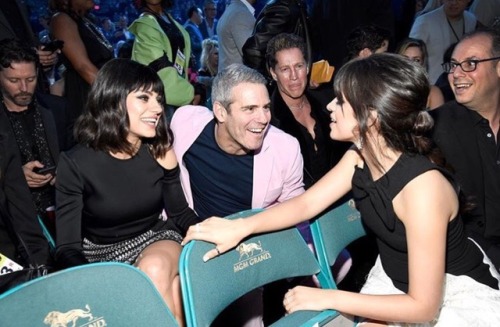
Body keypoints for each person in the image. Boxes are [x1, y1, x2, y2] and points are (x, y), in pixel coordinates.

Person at [182, 53, 500, 325]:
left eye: (341, 101)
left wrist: (327, 297)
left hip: (452, 294)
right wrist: (238, 227)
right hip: (397, 282)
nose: (329, 107)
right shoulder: (360, 156)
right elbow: (305, 205)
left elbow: (424, 306)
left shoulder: (423, 191)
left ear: (370, 117)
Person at [55, 59, 199, 326]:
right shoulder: (75, 163)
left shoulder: (159, 148)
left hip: (156, 238)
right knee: (172, 295)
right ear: (113, 100)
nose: (157, 108)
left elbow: (179, 213)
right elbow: (67, 247)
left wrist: (214, 232)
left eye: (158, 98)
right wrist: (96, 281)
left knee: (154, 270)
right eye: (144, 98)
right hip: (101, 255)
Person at [171, 63, 304, 327]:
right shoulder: (185, 122)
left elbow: (298, 208)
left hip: (250, 243)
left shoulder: (284, 148)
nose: (263, 118)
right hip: (191, 237)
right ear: (220, 111)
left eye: (266, 107)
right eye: (249, 109)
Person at [431, 28, 500, 273]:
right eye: (453, 65)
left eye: (470, 63)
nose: (456, 74)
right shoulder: (434, 128)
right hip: (470, 257)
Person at [0, 38, 71, 237]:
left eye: (30, 79)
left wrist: (64, 171)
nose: (24, 87)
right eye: (14, 80)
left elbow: (78, 152)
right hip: (14, 223)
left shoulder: (57, 108)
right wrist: (15, 176)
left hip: (64, 213)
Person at [49, 0, 114, 124]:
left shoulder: (86, 20)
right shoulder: (61, 20)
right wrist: (114, 93)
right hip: (89, 94)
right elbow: (83, 66)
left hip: (101, 90)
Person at [129, 0, 196, 120]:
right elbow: (161, 71)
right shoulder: (146, 24)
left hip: (178, 95)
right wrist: (191, 93)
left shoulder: (166, 17)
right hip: (162, 101)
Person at [242, 0, 311, 83]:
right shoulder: (284, 8)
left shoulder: (293, 5)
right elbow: (252, 50)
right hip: (285, 85)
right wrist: (272, 81)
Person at [409, 0, 477, 84]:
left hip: (461, 80)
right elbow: (411, 54)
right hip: (432, 83)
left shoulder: (471, 19)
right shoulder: (425, 21)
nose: (453, 3)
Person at [0, 0, 60, 94]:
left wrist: (44, 57)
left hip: (33, 89)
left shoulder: (20, 4)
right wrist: (29, 54)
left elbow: (27, 38)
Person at [395, 37, 445, 110]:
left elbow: (441, 120)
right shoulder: (387, 89)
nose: (410, 63)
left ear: (422, 64)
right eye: (405, 58)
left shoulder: (432, 93)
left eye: (416, 60)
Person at [217, 0, 257, 71]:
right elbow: (253, 55)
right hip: (240, 79)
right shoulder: (240, 14)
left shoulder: (232, 10)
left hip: (231, 78)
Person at [197, 38, 218, 107]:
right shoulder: (202, 73)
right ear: (208, 55)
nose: (219, 56)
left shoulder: (221, 70)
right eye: (216, 54)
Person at [183, 6, 204, 70]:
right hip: (195, 66)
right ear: (194, 13)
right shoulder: (189, 27)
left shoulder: (193, 27)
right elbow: (192, 46)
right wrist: (206, 44)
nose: (202, 17)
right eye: (201, 14)